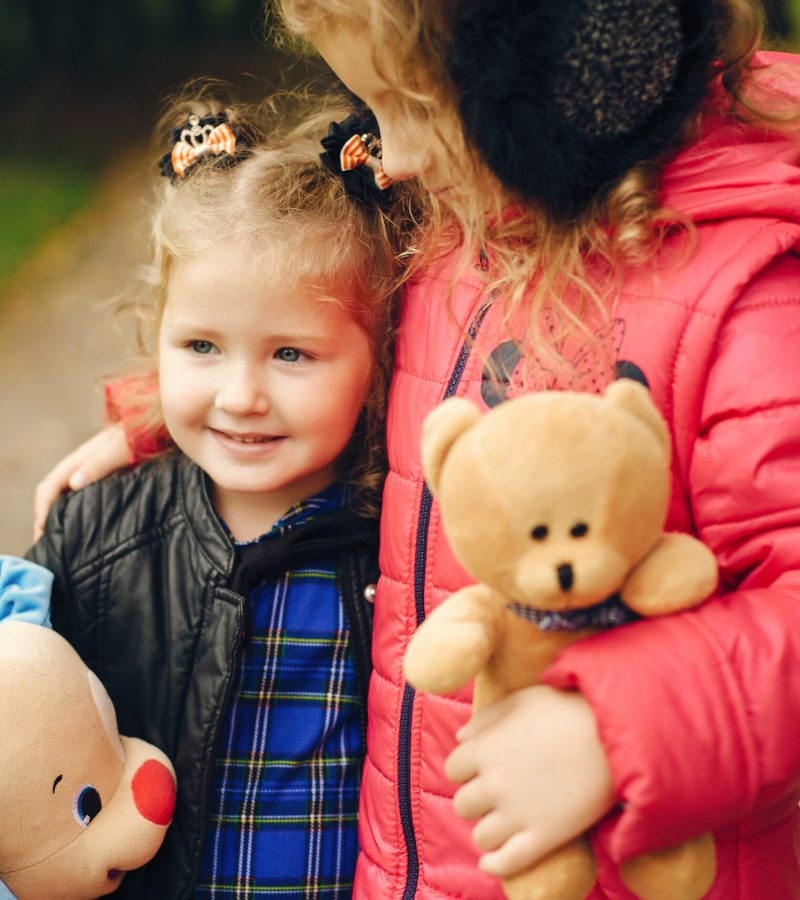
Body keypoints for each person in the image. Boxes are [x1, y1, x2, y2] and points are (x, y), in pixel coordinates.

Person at [33, 0, 800, 897]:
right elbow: (325, 344)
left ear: (570, 62)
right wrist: (166, 421)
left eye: (412, 105)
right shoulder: (458, 224)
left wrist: (619, 727)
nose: (391, 158)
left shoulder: (751, 287)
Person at [27, 90, 411, 898]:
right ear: (157, 335)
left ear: (378, 359)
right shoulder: (98, 531)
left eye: (292, 355)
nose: (241, 395)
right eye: (202, 345)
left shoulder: (401, 542)